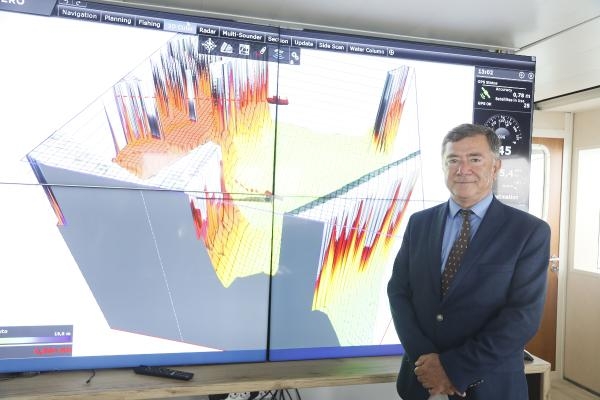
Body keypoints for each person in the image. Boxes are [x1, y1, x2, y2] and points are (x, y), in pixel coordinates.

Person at [387, 123, 550, 400]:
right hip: (420, 381)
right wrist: (426, 362)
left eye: (475, 159)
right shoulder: (419, 223)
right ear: (443, 167)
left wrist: (451, 369)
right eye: (453, 160)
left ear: (495, 167)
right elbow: (398, 292)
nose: (463, 169)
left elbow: (522, 317)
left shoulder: (529, 232)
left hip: (490, 387)